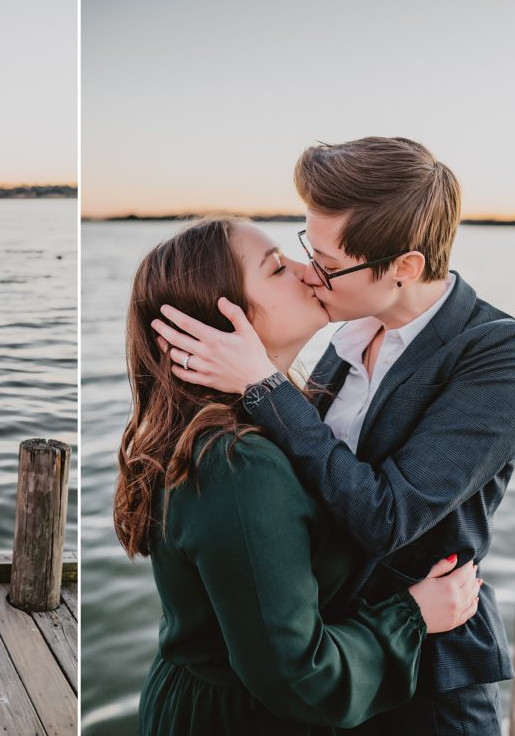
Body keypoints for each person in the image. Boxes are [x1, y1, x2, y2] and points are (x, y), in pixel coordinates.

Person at [154, 138, 515, 734]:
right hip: (330, 663)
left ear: (405, 268)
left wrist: (265, 385)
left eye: (330, 265)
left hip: (427, 673)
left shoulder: (501, 356)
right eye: (308, 248)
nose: (312, 273)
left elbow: (388, 516)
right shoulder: (345, 331)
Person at [119, 216, 481, 735]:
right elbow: (297, 676)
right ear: (229, 321)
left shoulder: (253, 425)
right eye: (276, 268)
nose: (306, 269)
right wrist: (414, 616)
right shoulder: (237, 465)